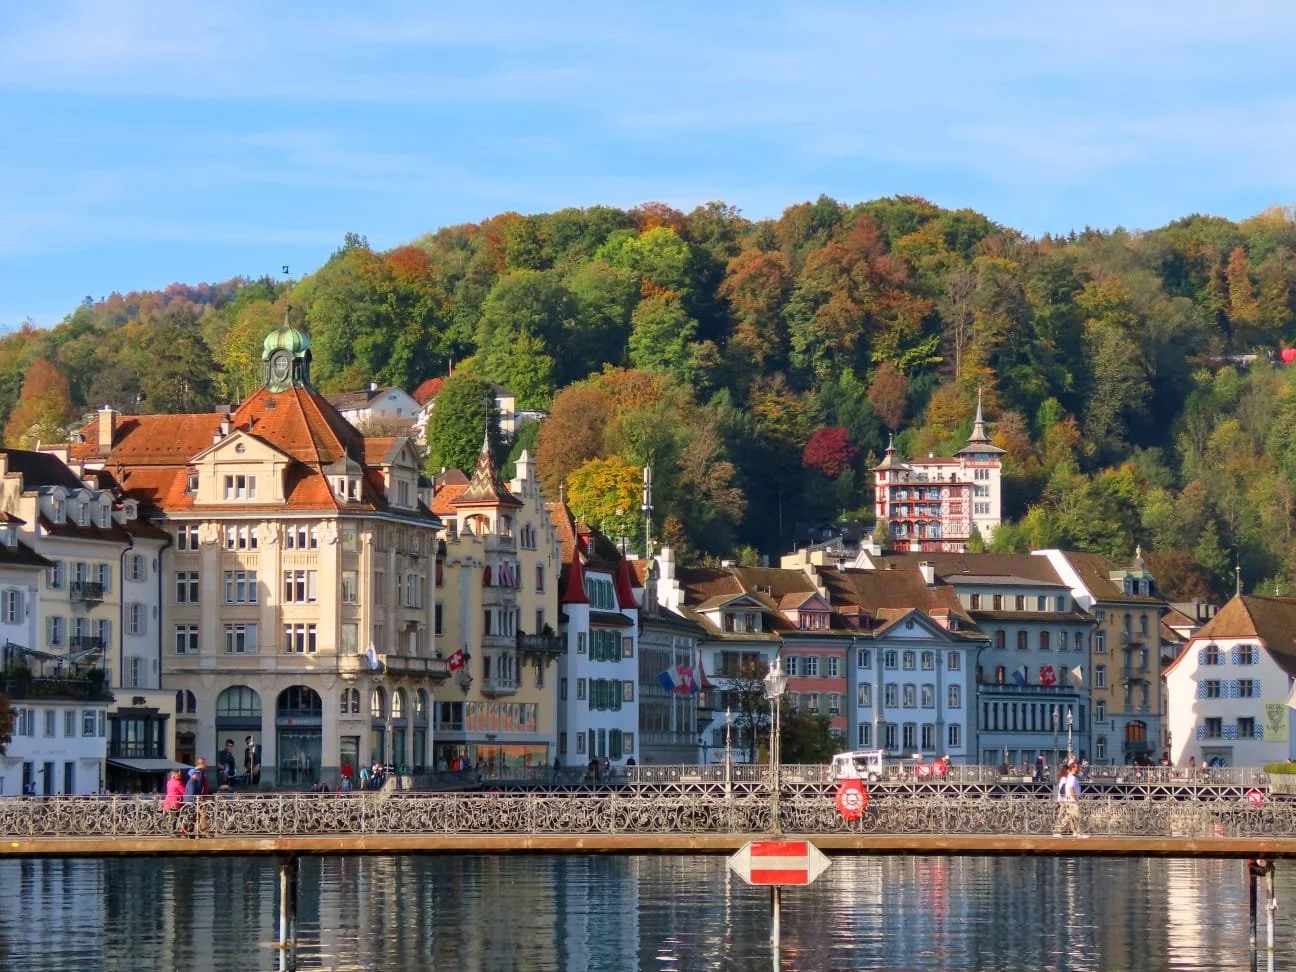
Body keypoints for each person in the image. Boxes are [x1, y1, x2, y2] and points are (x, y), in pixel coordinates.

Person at [1053, 764, 1086, 838]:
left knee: (1070, 817)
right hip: (1072, 800)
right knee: (1076, 816)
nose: (1078, 769)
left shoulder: (1071, 777)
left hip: (1070, 800)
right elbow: (1071, 789)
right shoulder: (1072, 777)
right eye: (1077, 768)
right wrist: (1076, 799)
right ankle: (1078, 833)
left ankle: (1061, 831)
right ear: (1073, 768)